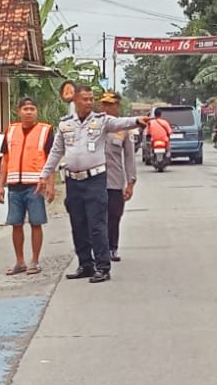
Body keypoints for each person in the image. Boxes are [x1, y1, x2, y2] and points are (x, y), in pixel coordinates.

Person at [38, 87, 149, 283]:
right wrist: (44, 175)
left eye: (91, 99)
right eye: (85, 99)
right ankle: (85, 265)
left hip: (96, 180)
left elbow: (119, 122)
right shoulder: (65, 124)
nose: (89, 103)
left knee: (97, 224)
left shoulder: (101, 121)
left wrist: (136, 121)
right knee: (78, 224)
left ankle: (103, 267)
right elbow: (56, 152)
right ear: (76, 101)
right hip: (73, 180)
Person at [0, 95, 52, 275]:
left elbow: (51, 160)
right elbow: (5, 160)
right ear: (18, 112)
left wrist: (50, 186)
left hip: (35, 185)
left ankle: (34, 261)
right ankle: (20, 262)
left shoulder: (45, 131)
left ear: (37, 112)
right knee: (16, 224)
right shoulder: (11, 131)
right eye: (25, 109)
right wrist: (0, 185)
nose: (28, 112)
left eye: (32, 109)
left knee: (36, 223)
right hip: (14, 186)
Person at [98, 91, 137, 263]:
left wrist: (130, 182)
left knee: (114, 215)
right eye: (104, 104)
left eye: (110, 104)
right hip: (95, 180)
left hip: (114, 180)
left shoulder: (123, 129)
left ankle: (112, 247)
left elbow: (129, 157)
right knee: (97, 217)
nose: (106, 107)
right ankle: (99, 249)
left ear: (117, 106)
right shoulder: (94, 125)